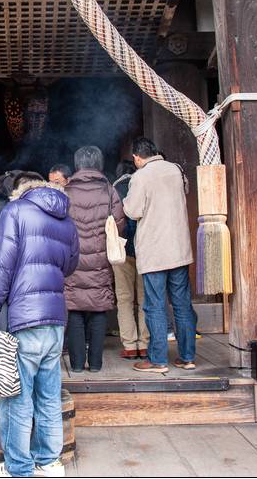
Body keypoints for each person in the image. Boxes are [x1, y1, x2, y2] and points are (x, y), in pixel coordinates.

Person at [0, 172, 79, 478]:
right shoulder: (65, 217)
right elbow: (71, 265)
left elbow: (3, 263)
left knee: (16, 397)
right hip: (54, 317)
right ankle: (50, 461)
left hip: (24, 316)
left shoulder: (14, 211)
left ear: (20, 190)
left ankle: (19, 466)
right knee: (50, 394)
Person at [122, 137, 196, 374]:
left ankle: (157, 360)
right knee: (182, 304)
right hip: (179, 248)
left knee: (154, 305)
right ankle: (187, 357)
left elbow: (132, 212)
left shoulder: (140, 176)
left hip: (154, 251)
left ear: (137, 157)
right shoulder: (176, 170)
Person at [63, 146, 125, 373]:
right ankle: (96, 364)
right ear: (98, 163)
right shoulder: (109, 191)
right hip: (100, 259)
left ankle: (77, 365)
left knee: (75, 309)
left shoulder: (66, 191)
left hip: (73, 259)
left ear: (77, 164)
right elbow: (119, 224)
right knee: (99, 309)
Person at [112, 160, 149, 359]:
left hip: (122, 250)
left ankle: (129, 345)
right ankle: (144, 344)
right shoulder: (141, 184)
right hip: (145, 249)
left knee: (124, 299)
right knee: (145, 299)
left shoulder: (114, 190)